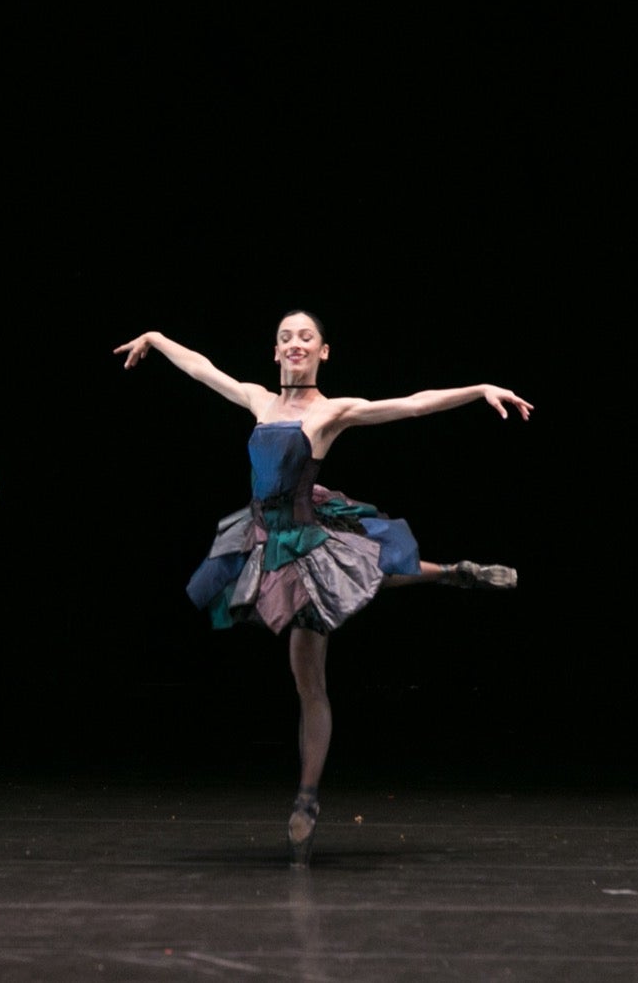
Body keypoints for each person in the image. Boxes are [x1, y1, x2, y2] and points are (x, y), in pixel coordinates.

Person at [114, 310, 533, 866]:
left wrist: (479, 389)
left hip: (305, 544)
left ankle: (307, 799)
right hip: (263, 539)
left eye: (305, 337)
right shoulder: (258, 400)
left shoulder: (330, 412)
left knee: (321, 660)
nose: (294, 344)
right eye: (285, 337)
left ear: (323, 352)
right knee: (368, 576)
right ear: (275, 351)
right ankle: (455, 572)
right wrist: (158, 337)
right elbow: (202, 369)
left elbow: (411, 403)